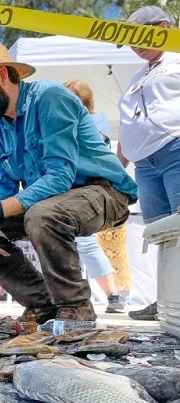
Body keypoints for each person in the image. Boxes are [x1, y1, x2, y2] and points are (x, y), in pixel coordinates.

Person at [0, 43, 138, 325]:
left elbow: (60, 176)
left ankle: (76, 308)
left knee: (42, 215)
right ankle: (41, 303)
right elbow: (4, 184)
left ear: (2, 75)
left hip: (104, 191)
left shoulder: (50, 98)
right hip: (53, 200)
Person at [117, 6, 180, 321]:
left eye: (137, 36)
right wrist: (116, 169)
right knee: (162, 234)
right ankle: (168, 300)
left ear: (163, 28)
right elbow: (128, 125)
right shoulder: (137, 76)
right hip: (145, 163)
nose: (133, 45)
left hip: (175, 150)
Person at [63, 79, 128, 313]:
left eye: (71, 97)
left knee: (86, 243)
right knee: (65, 245)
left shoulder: (96, 119)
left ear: (84, 100)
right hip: (63, 186)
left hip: (88, 189)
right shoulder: (57, 122)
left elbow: (98, 142)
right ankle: (74, 298)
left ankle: (112, 295)